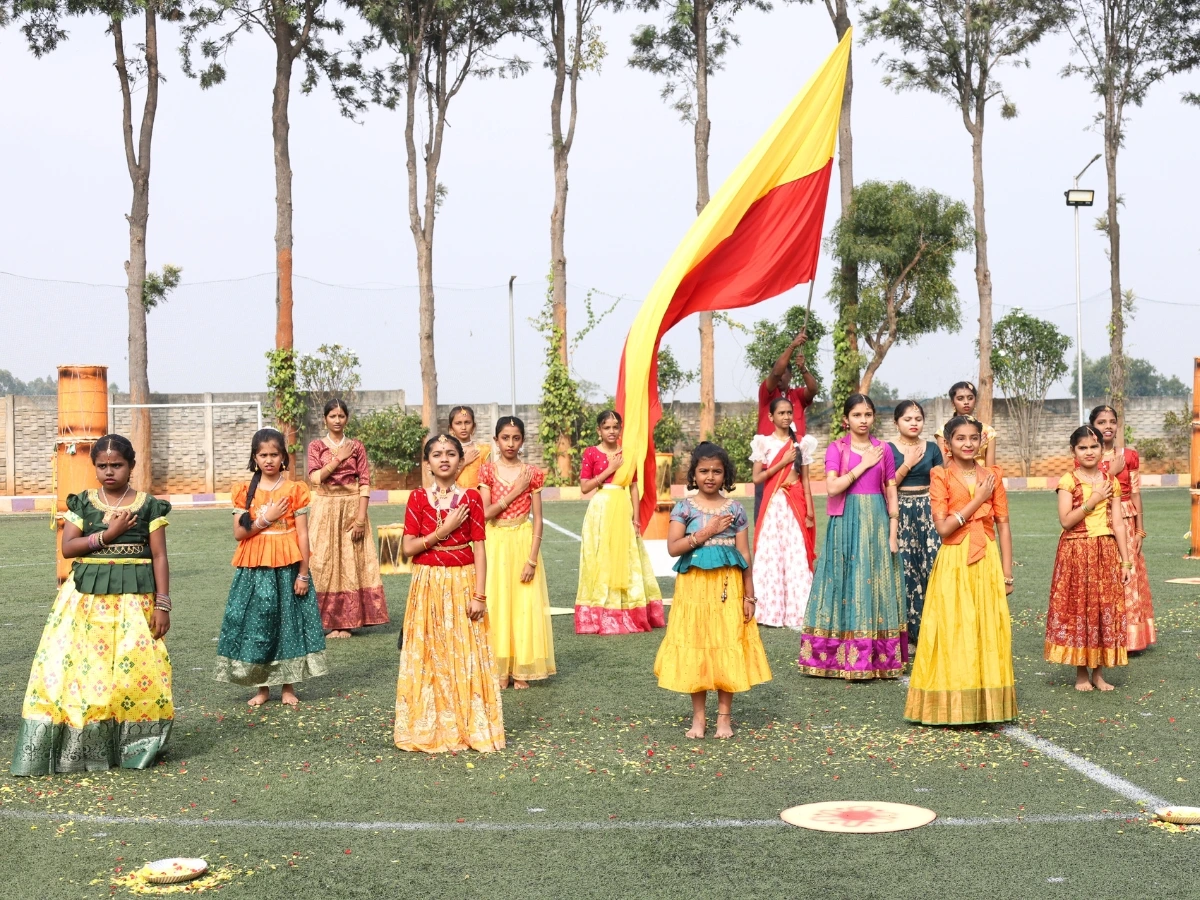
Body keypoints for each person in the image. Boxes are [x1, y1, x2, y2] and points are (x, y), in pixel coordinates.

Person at [11, 435, 173, 775]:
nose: (109, 472)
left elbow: (159, 556)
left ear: (132, 466)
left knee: (134, 670)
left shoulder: (148, 506)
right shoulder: (83, 503)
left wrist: (163, 604)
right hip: (86, 601)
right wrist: (107, 535)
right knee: (85, 671)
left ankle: (135, 745)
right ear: (94, 467)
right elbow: (68, 548)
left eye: (117, 465)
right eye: (102, 466)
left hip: (135, 601)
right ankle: (83, 745)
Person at [904, 416, 1017, 726]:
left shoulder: (993, 474)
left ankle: (985, 706)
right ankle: (952, 704)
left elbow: (1004, 525)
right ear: (948, 444)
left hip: (987, 560)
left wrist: (1007, 573)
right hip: (955, 559)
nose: (968, 443)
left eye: (973, 437)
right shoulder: (939, 474)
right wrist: (977, 499)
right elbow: (942, 529)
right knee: (955, 628)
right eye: (960, 438)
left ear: (982, 441)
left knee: (987, 629)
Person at [395, 433, 504, 752]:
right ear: (427, 463)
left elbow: (480, 549)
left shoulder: (471, 498)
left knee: (465, 654)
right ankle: (430, 727)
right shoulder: (417, 498)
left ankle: (469, 727)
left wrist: (480, 595)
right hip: (427, 583)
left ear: (461, 460)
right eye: (437, 454)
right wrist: (442, 531)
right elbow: (407, 548)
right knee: (430, 655)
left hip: (463, 582)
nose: (444, 458)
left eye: (451, 453)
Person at [654, 443, 771, 739]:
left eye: (717, 471)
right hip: (693, 591)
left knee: (726, 644)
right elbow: (672, 548)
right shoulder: (684, 507)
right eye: (703, 471)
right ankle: (698, 720)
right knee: (697, 648)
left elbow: (745, 554)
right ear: (694, 474)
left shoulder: (735, 509)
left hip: (726, 590)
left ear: (726, 475)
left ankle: (723, 719)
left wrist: (749, 596)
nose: (710, 477)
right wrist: (707, 531)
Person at [798, 393, 908, 679]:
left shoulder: (883, 449)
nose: (863, 420)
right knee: (843, 582)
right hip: (845, 522)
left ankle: (878, 657)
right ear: (846, 419)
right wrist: (863, 464)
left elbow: (891, 490)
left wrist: (893, 532)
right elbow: (832, 488)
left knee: (874, 582)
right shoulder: (836, 449)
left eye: (868, 415)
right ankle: (833, 657)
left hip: (877, 522)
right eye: (857, 415)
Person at [216, 428, 328, 707]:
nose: (268, 460)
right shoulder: (244, 492)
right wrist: (267, 518)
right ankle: (262, 687)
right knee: (258, 625)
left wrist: (303, 573)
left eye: (274, 454)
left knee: (287, 624)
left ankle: (288, 686)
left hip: (288, 568)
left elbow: (302, 535)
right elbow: (240, 534)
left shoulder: (294, 490)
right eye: (263, 455)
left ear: (283, 457)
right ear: (255, 458)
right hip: (254, 569)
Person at [1045, 425, 1132, 692]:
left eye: (1094, 447)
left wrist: (1125, 561)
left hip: (1105, 552)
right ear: (1073, 451)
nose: (1089, 452)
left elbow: (1117, 524)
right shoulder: (1068, 481)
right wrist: (1093, 499)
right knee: (1080, 610)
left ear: (1102, 449)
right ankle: (1081, 673)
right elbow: (1065, 521)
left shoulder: (1111, 482)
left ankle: (1099, 672)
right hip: (1076, 551)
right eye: (1082, 447)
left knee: (1103, 608)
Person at [478, 416, 555, 689]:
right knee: (497, 604)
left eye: (516, 438)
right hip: (496, 542)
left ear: (523, 440)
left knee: (523, 605)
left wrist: (532, 559)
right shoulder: (487, 472)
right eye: (505, 438)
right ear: (496, 440)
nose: (510, 443)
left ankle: (521, 668)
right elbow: (485, 514)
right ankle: (500, 668)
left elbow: (538, 519)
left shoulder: (532, 473)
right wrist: (515, 492)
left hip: (523, 540)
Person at [574, 410, 665, 634]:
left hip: (623, 508)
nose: (612, 431)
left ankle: (628, 611)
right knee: (601, 557)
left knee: (627, 557)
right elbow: (585, 487)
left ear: (620, 429)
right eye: (607, 427)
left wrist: (636, 518)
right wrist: (609, 469)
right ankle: (601, 613)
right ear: (599, 430)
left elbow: (634, 487)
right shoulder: (591, 453)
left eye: (616, 427)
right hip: (601, 509)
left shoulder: (628, 455)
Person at [306, 399, 388, 639]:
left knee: (351, 563)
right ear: (325, 419)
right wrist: (338, 459)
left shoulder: (357, 447)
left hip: (352, 507)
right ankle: (325, 621)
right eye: (333, 416)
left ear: (347, 419)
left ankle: (347, 622)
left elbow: (364, 482)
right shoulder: (316, 447)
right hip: (324, 508)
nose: (337, 420)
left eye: (342, 416)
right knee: (321, 561)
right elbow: (315, 479)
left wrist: (361, 519)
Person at [1088, 404, 1155, 652]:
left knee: (1128, 574)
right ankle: (1105, 634)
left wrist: (1140, 530)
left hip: (1126, 521)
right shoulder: (1087, 454)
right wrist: (1111, 472)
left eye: (1112, 421)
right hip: (1098, 520)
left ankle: (1131, 638)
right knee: (1103, 574)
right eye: (1101, 422)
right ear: (1092, 426)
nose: (1107, 426)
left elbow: (1136, 493)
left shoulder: (1129, 456)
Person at [750, 397, 817, 629]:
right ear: (771, 417)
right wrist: (782, 462)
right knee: (771, 554)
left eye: (789, 412)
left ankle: (799, 613)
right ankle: (768, 613)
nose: (786, 416)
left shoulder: (801, 444)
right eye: (781, 413)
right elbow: (757, 478)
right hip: (774, 504)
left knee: (796, 554)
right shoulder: (763, 443)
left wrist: (809, 510)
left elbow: (806, 480)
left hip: (796, 503)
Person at [889, 400, 944, 644]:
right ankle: (910, 637)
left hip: (929, 510)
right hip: (900, 511)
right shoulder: (888, 449)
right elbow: (888, 486)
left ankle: (934, 632)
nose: (914, 423)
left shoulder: (932, 448)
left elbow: (942, 483)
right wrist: (908, 463)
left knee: (932, 568)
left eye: (918, 419)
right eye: (908, 419)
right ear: (896, 422)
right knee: (905, 570)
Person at [755, 331, 818, 513]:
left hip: (794, 463)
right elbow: (775, 371)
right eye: (778, 374)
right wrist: (792, 345)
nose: (780, 377)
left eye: (784, 374)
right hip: (769, 464)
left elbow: (813, 389)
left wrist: (804, 369)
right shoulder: (767, 393)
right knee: (765, 511)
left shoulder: (797, 395)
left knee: (793, 511)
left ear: (790, 376)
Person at [936, 381, 996, 467]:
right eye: (960, 398)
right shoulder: (943, 431)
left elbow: (991, 469)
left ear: (975, 400)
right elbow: (944, 466)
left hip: (984, 479)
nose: (966, 402)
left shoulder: (988, 432)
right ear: (953, 403)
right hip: (953, 479)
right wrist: (975, 448)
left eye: (970, 398)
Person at [450, 405, 491, 490]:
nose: (463, 427)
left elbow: (488, 481)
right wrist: (464, 462)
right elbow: (445, 481)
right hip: (455, 498)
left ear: (473, 426)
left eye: (467, 422)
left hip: (478, 498)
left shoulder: (483, 450)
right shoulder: (448, 452)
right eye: (458, 423)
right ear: (451, 428)